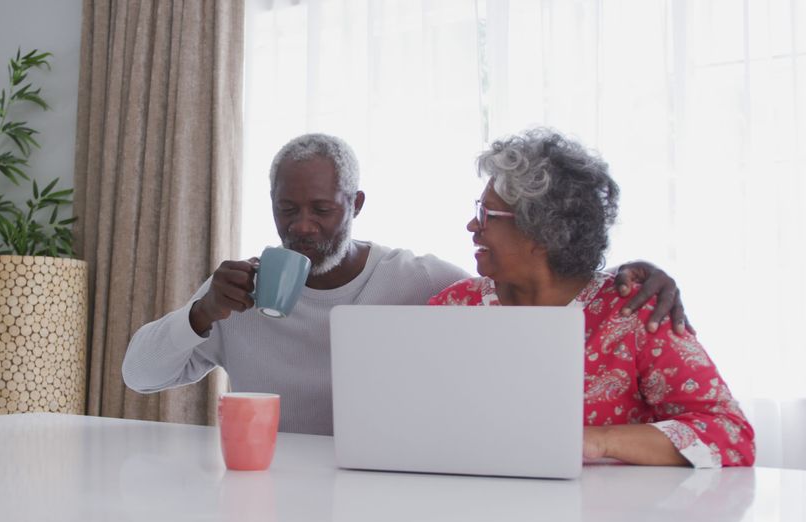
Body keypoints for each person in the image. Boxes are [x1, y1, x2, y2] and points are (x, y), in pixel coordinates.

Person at [123, 133, 688, 436]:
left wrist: (616, 275)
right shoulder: (234, 292)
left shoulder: (423, 282)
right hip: (267, 486)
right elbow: (139, 376)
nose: (302, 227)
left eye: (322, 209)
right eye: (286, 210)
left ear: (356, 205)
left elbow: (526, 296)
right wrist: (200, 313)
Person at [428, 128, 754, 467]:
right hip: (473, 504)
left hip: (603, 514)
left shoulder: (633, 311)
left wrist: (598, 440)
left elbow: (730, 435)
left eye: (487, 215)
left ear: (542, 232)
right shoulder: (454, 308)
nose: (471, 225)